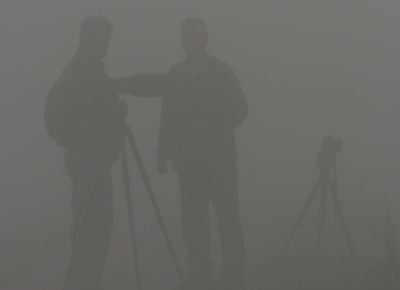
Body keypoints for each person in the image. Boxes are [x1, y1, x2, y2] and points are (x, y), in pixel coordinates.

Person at [45, 16, 169, 290]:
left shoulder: (86, 71)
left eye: (108, 40)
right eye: (101, 39)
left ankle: (83, 283)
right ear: (87, 39)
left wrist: (108, 117)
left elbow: (79, 114)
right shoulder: (80, 71)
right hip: (90, 163)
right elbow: (62, 116)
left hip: (89, 161)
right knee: (95, 236)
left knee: (86, 235)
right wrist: (101, 122)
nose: (105, 45)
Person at [156, 18, 248, 290]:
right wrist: (162, 152)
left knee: (228, 219)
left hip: (220, 160)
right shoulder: (174, 74)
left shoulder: (222, 70)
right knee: (193, 223)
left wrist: (211, 124)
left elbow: (241, 109)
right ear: (181, 40)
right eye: (186, 37)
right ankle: (200, 277)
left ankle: (234, 276)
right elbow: (167, 117)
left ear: (206, 38)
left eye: (195, 37)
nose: (190, 42)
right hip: (187, 163)